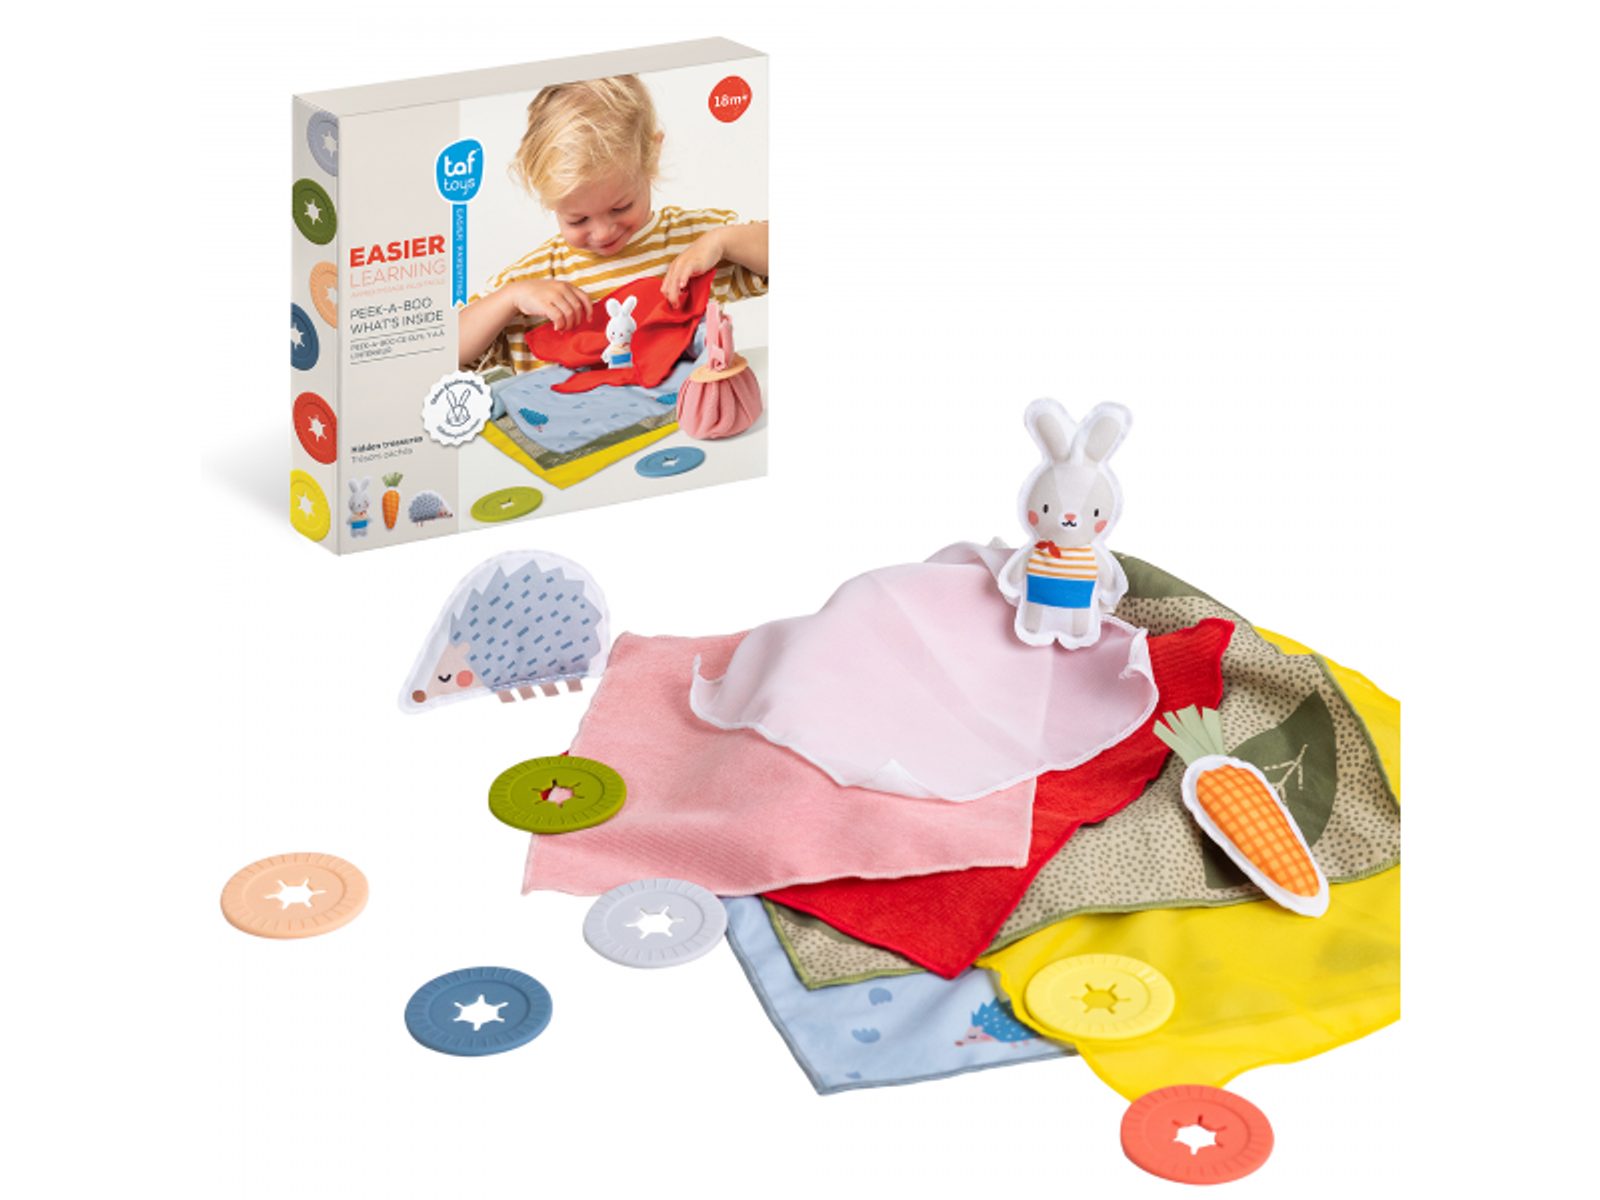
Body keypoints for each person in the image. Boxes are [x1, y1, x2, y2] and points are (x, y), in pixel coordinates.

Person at [459, 75, 768, 372]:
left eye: (621, 207)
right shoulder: (533, 282)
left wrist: (722, 242)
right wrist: (511, 299)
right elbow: (444, 349)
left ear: (651, 156)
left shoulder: (696, 244)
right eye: (578, 219)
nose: (603, 232)